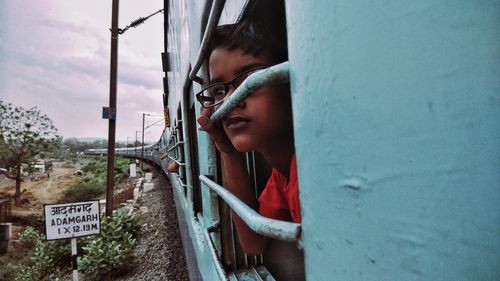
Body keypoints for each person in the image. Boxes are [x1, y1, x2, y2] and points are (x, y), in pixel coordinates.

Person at [196, 19, 300, 255]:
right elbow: (253, 244)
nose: (232, 100)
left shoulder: (313, 171)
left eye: (250, 80)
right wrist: (227, 150)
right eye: (219, 91)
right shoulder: (282, 173)